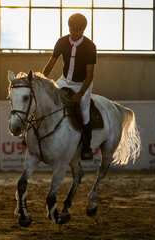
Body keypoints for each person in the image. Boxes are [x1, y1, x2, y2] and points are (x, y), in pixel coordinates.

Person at [42, 13, 97, 160]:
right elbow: (51, 63)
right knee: (44, 101)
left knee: (85, 114)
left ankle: (86, 147)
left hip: (82, 83)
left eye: (78, 31)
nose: (75, 33)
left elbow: (90, 75)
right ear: (69, 28)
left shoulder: (90, 46)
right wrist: (42, 79)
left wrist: (80, 93)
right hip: (64, 80)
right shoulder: (61, 42)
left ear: (83, 30)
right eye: (72, 30)